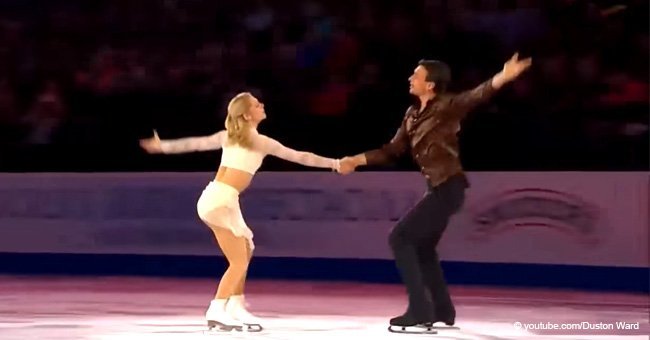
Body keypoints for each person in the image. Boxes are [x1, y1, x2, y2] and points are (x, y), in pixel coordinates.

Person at [338, 53, 532, 330]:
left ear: (430, 85)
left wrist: (503, 76)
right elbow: (393, 150)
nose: (410, 78)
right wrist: (357, 160)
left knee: (401, 238)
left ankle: (419, 310)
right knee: (423, 247)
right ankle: (443, 310)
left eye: (415, 75)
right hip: (439, 188)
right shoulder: (412, 114)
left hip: (448, 187)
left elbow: (474, 96)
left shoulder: (446, 106)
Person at [140, 92, 341, 331]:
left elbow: (193, 144)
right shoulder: (260, 142)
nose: (262, 104)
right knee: (238, 262)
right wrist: (336, 163)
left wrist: (163, 146)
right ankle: (216, 309)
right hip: (220, 200)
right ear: (246, 114)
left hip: (221, 198)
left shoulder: (230, 137)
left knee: (245, 249)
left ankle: (235, 306)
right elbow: (301, 157)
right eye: (257, 104)